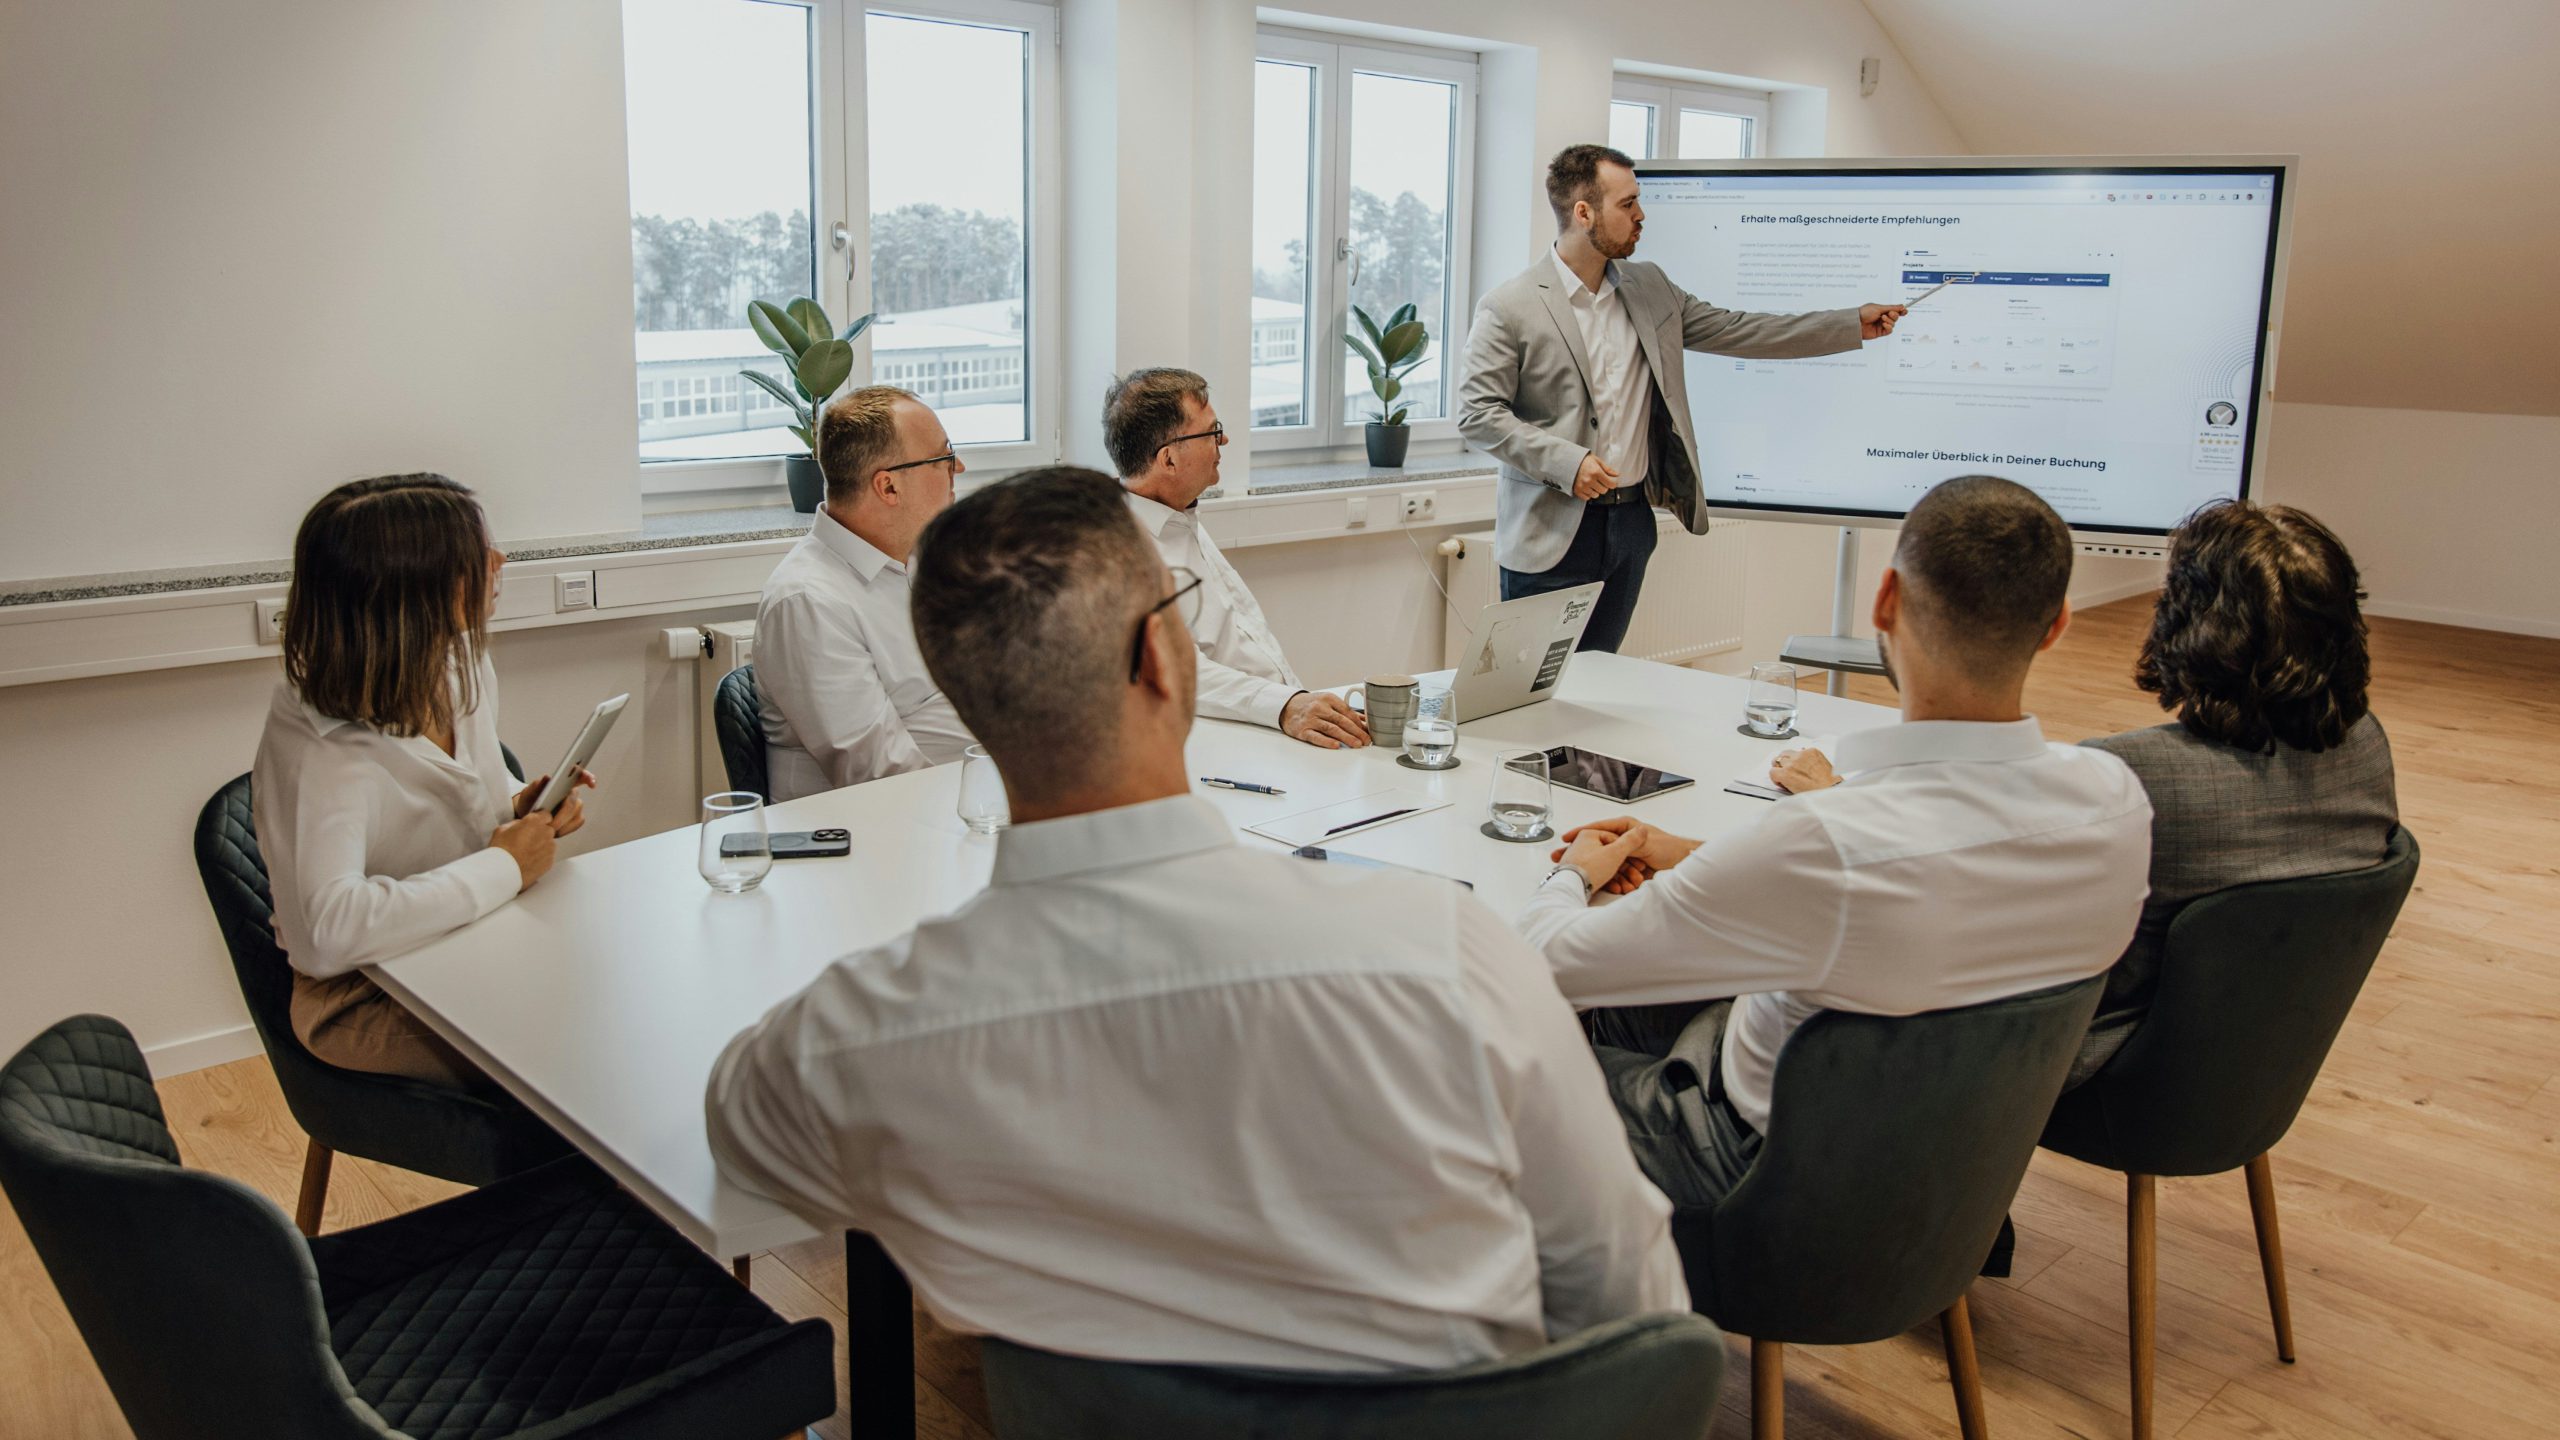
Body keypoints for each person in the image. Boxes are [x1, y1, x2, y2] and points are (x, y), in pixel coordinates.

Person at [707, 467, 1684, 1370]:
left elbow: (741, 1126)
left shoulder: (863, 1035)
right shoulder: (1446, 951)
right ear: (1167, 663)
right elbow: (1629, 1303)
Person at [1517, 475, 2151, 1208]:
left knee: (1488, 1052)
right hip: (1952, 1172)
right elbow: (1925, 861)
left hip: (1761, 1174)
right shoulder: (2117, 801)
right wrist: (1682, 852)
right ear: (2057, 624)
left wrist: (1570, 876)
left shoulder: (1825, 845)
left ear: (1884, 602)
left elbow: (1542, 964)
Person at [1458, 144, 1909, 654]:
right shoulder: (1509, 305)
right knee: (1529, 693)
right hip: (1549, 530)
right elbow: (1478, 414)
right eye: (1627, 204)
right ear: (1583, 213)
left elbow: (1743, 330)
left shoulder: (1651, 287)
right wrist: (1568, 461)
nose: (1640, 215)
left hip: (1629, 524)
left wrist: (1850, 324)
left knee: (1601, 681)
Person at [253, 474, 595, 1089]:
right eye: (478, 556)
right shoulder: (320, 748)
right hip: (362, 995)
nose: (500, 562)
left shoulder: (460, 667)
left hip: (471, 940)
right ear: (416, 589)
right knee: (580, 1033)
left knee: (620, 982)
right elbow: (330, 933)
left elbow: (463, 817)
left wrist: (523, 811)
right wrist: (505, 865)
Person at [2063, 499, 2398, 1084]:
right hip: (2262, 1069)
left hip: (2117, 1074)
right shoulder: (2366, 746)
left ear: (2186, 621)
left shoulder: (2129, 773)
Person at [1105, 368, 1369, 748]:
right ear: (1168, 460)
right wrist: (1286, 706)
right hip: (1227, 743)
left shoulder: (1177, 512)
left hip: (1276, 720)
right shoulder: (1117, 548)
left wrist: (1296, 699)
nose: (1223, 440)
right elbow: (1172, 670)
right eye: (1212, 432)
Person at [756, 385, 975, 799]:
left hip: (961, 806)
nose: (958, 468)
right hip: (875, 833)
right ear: (888, 487)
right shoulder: (808, 601)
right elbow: (876, 775)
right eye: (943, 458)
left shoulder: (918, 564)